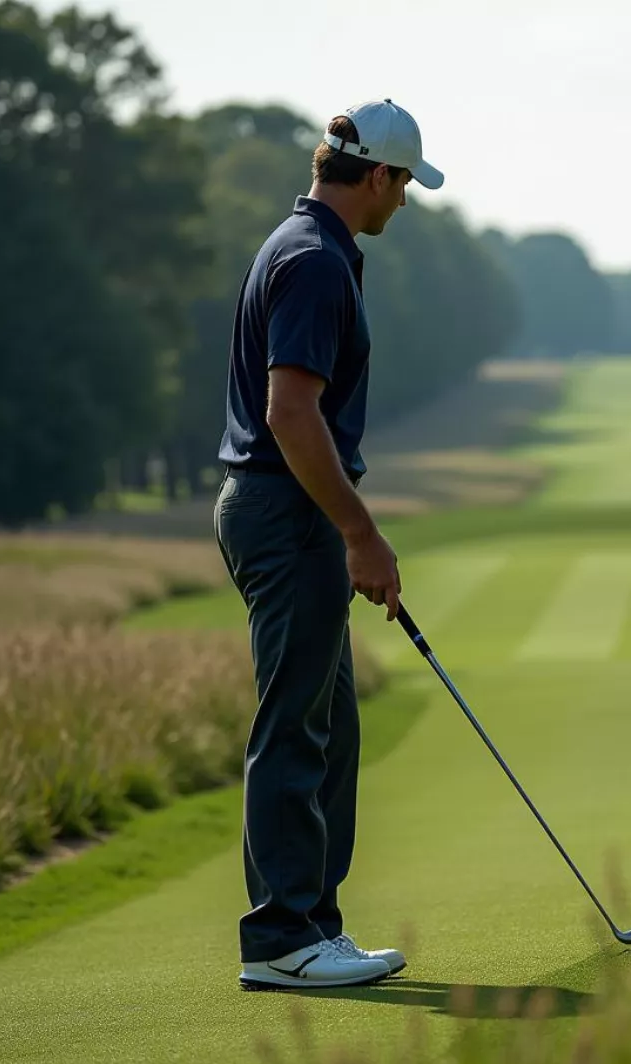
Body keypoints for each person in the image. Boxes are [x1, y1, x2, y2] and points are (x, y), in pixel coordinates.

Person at [213, 98, 444, 990]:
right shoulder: (313, 263)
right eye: (405, 186)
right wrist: (362, 534)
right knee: (295, 725)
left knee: (327, 725)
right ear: (377, 177)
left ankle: (311, 925)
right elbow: (290, 412)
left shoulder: (300, 245)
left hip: (283, 509)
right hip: (288, 512)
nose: (404, 203)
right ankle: (282, 938)